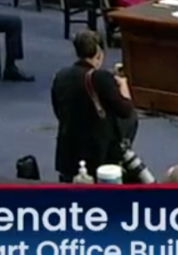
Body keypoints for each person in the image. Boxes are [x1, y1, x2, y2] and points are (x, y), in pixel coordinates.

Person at [51, 30, 136, 182]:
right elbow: (126, 110)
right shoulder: (101, 77)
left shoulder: (60, 75)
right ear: (99, 53)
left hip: (68, 148)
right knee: (131, 119)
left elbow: (58, 111)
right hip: (97, 151)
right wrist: (123, 85)